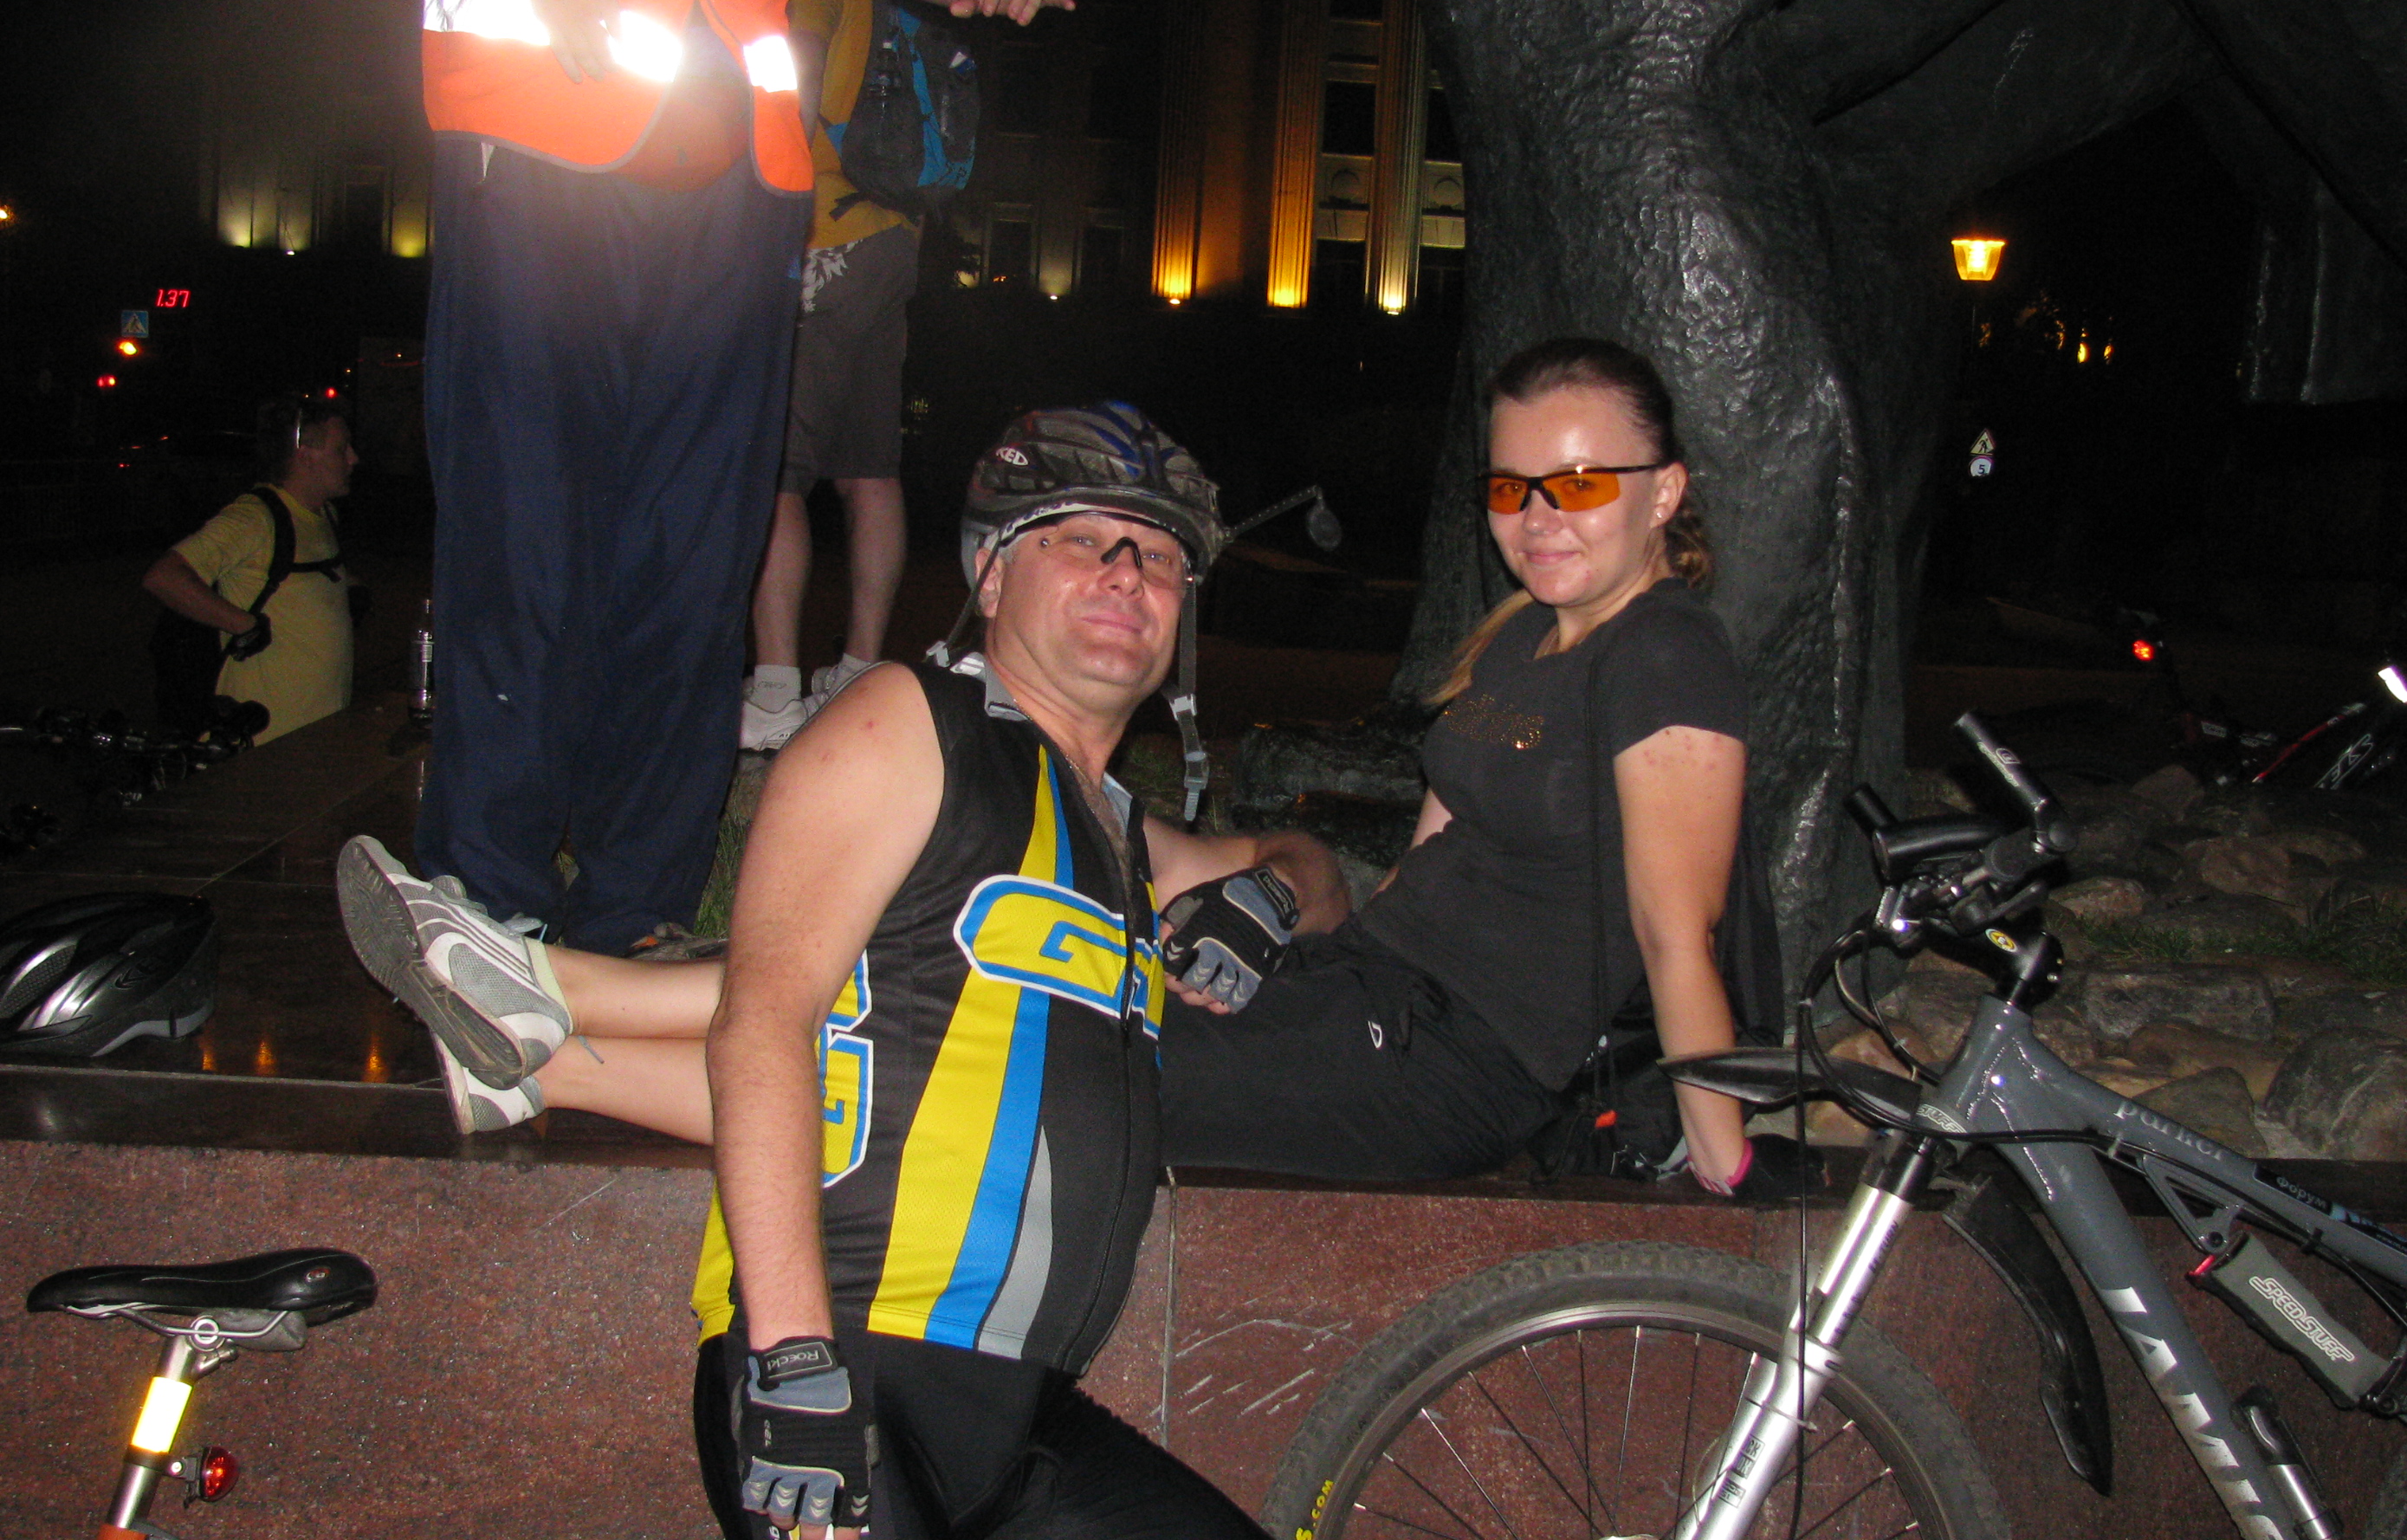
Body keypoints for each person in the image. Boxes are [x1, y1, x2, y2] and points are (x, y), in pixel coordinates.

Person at [340, 407, 1374, 1540]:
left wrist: (1270, 897)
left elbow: (1319, 870)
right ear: (990, 576)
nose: (1126, 574)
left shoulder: (1120, 833)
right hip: (849, 1370)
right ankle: (550, 1005)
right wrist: (791, 1363)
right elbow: (766, 1023)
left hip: (1024, 1421)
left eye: (1157, 556)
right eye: (1082, 540)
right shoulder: (907, 723)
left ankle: (548, 1027)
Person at [340, 346, 1787, 1199]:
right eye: (1513, 484)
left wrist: (1726, 1168)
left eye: (1582, 483)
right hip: (1357, 998)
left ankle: (548, 998)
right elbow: (1426, 870)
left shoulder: (1665, 655)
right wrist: (1280, 921)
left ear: (1664, 491)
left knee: (1023, 1062)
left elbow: (1677, 927)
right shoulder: (1523, 640)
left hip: (1447, 1068)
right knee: (974, 992)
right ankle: (536, 1054)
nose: (1540, 515)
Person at [332, 0, 1071, 954]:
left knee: (695, 553)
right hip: (535, 135)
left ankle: (638, 908)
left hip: (739, 174)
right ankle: (485, 897)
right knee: (523, 529)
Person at [741, 0, 922, 751]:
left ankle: (775, 691)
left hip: (825, 235)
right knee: (868, 468)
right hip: (892, 238)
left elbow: (799, 67)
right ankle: (856, 671)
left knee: (777, 468)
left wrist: (765, 195)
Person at [143, 394, 358, 746]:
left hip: (319, 734)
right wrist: (243, 625)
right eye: (341, 449)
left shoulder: (324, 515)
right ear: (304, 454)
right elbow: (164, 577)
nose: (353, 459)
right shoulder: (255, 518)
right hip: (264, 743)